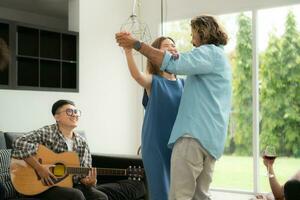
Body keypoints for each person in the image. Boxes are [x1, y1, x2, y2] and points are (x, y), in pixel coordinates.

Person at [116, 14, 232, 200]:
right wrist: (129, 51)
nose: (191, 39)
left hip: (191, 139)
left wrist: (136, 44)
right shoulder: (215, 61)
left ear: (202, 32)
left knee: (180, 196)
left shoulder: (202, 59)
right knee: (199, 195)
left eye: (193, 33)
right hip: (207, 141)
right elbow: (141, 75)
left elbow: (174, 63)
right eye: (166, 46)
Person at [122, 36, 184, 200]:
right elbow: (137, 76)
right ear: (156, 52)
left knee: (180, 192)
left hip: (179, 144)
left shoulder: (185, 83)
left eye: (174, 45)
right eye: (166, 46)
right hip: (155, 144)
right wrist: (128, 51)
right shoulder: (153, 81)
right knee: (161, 192)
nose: (172, 48)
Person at [12, 99, 108, 200]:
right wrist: (39, 168)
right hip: (44, 185)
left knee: (101, 197)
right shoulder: (47, 132)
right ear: (57, 117)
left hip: (70, 184)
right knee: (76, 195)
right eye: (69, 111)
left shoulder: (82, 142)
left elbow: (83, 174)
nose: (74, 115)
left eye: (76, 112)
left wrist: (89, 182)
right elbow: (18, 142)